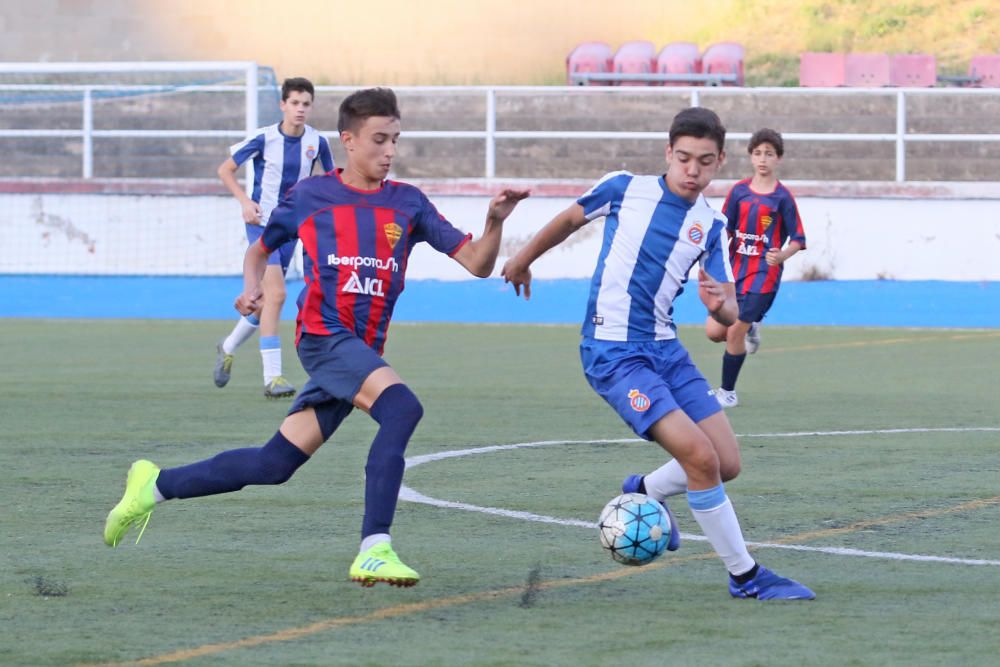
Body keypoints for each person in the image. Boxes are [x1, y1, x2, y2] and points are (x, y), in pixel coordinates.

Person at [104, 87, 530, 588]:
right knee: (401, 408)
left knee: (274, 463)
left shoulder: (408, 204)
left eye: (395, 140)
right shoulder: (311, 196)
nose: (389, 151)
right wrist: (250, 291)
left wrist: (495, 222)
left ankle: (154, 485)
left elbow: (478, 265)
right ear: (348, 140)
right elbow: (259, 252)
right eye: (378, 140)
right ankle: (375, 547)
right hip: (325, 337)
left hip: (359, 350)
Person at [501, 108, 814, 600]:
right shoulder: (625, 188)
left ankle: (644, 490)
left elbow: (729, 308)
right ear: (668, 153)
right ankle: (745, 575)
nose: (693, 170)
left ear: (720, 162)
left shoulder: (711, 225)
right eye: (684, 158)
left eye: (705, 162)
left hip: (666, 350)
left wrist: (723, 306)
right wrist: (520, 259)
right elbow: (567, 219)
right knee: (699, 458)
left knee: (726, 462)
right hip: (614, 352)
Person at [214, 77, 335, 399]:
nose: (300, 109)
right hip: (264, 224)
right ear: (283, 105)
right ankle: (274, 378)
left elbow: (329, 180)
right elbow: (225, 169)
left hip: (294, 226)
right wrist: (245, 202)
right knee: (277, 294)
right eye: (294, 103)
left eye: (306, 104)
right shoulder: (264, 138)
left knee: (263, 301)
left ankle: (227, 346)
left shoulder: (317, 142)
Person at [708, 128, 806, 408]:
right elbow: (724, 229)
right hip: (734, 272)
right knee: (715, 333)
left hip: (764, 275)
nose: (763, 159)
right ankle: (752, 329)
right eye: (758, 153)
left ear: (779, 159)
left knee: (734, 331)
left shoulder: (783, 198)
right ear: (751, 157)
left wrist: (782, 255)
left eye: (769, 154)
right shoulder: (739, 192)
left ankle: (727, 393)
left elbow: (798, 238)